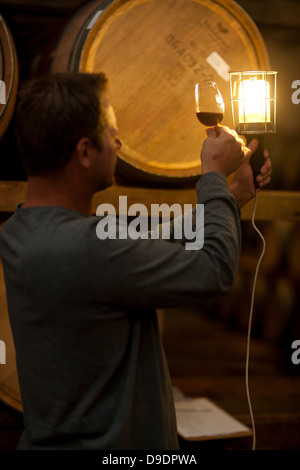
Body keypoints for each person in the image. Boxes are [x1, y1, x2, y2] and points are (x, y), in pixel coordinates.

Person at [0, 72, 271, 450]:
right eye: (110, 132)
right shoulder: (89, 247)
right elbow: (216, 270)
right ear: (83, 152)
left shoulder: (20, 229)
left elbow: (136, 241)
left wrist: (230, 195)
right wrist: (210, 175)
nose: (119, 141)